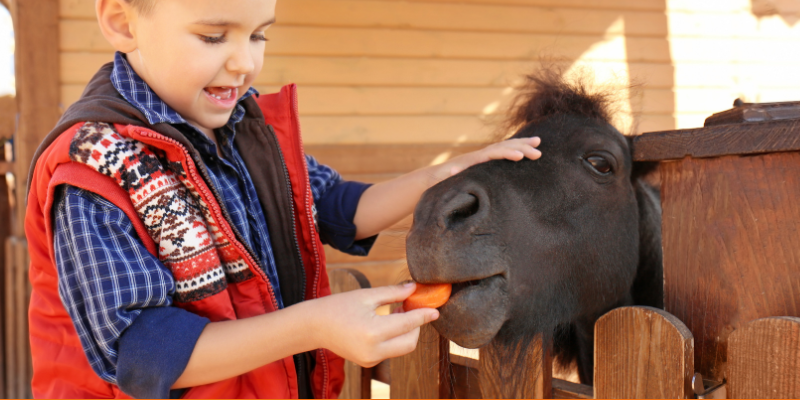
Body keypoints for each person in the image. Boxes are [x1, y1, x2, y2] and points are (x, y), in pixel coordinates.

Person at [25, 0, 542, 398]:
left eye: (258, 34)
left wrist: (445, 175)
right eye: (212, 36)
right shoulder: (92, 168)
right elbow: (144, 350)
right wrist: (313, 326)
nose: (244, 62)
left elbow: (341, 210)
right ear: (121, 21)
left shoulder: (248, 131)